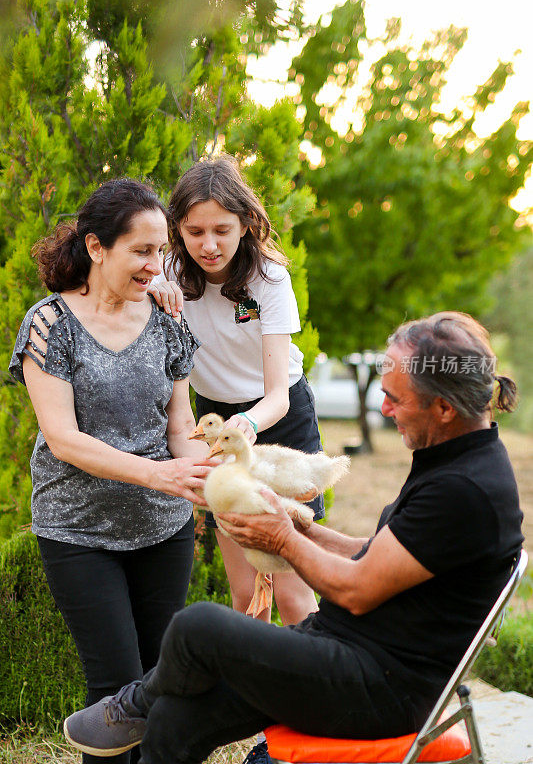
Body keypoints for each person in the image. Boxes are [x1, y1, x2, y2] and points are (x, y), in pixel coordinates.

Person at [63, 310, 523, 764]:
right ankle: (146, 709)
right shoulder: (452, 459)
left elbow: (357, 590)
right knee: (177, 721)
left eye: (396, 400)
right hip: (354, 653)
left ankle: (132, 705)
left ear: (444, 408)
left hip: (383, 687)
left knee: (197, 627)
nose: (384, 409)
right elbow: (378, 557)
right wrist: (304, 526)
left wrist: (284, 538)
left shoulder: (465, 489)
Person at [9, 179, 218, 764]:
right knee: (114, 689)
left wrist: (208, 464)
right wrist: (160, 476)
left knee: (160, 682)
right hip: (78, 532)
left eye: (162, 252)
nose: (157, 266)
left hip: (163, 527)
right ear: (97, 247)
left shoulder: (169, 321)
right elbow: (64, 438)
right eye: (142, 251)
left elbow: (180, 427)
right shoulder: (50, 325)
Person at [149, 156, 324, 630]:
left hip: (277, 418)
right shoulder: (165, 273)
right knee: (245, 587)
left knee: (290, 585)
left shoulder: (268, 281)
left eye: (222, 230)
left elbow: (277, 396)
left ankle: (315, 692)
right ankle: (257, 693)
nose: (209, 245)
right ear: (177, 229)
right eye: (194, 231)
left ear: (246, 224)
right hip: (214, 418)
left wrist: (242, 428)